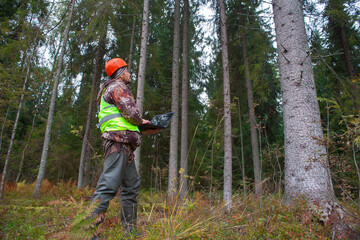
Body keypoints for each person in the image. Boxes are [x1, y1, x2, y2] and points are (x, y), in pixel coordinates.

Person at [88, 58, 159, 239]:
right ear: (120, 72)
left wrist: (142, 129)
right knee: (108, 185)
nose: (129, 73)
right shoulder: (117, 87)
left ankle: (130, 231)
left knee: (131, 186)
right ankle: (89, 232)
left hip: (123, 143)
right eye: (126, 70)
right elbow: (131, 114)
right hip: (118, 143)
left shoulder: (110, 89)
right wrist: (141, 121)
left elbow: (124, 120)